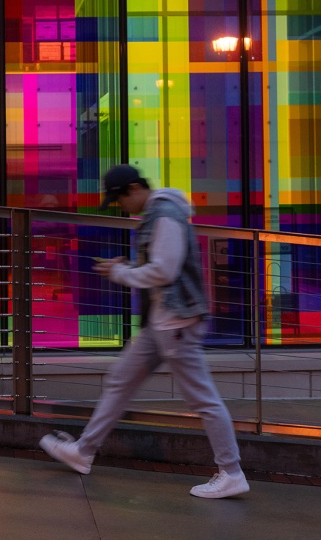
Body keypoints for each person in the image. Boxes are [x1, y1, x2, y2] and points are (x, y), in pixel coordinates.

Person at [39, 164, 250, 499]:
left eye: (120, 199)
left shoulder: (165, 215)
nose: (121, 206)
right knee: (120, 381)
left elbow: (165, 270)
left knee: (203, 400)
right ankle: (84, 451)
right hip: (162, 323)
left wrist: (123, 273)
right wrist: (126, 268)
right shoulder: (157, 213)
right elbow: (164, 267)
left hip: (177, 324)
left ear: (134, 188)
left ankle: (232, 472)